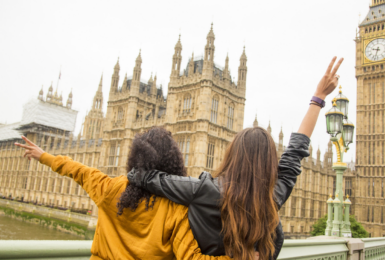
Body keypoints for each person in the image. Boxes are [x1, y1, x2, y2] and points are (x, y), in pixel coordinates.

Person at [127, 57, 344, 260]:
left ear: (232, 154)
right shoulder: (272, 196)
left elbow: (146, 178)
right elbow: (295, 152)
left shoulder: (203, 190)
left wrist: (134, 170)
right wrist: (318, 98)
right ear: (270, 164)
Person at [15, 127, 242, 260]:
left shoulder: (110, 188)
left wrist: (43, 155)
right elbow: (193, 257)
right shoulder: (177, 209)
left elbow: (78, 171)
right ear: (174, 163)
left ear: (136, 157)